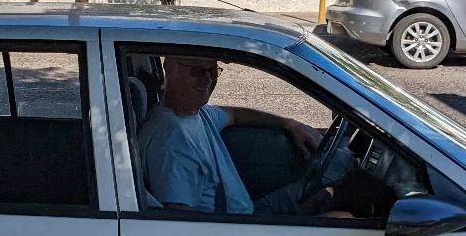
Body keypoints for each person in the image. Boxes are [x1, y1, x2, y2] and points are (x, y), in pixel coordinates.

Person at [136, 54, 348, 216]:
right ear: (169, 69)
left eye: (212, 71)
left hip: (249, 214)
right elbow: (181, 223)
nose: (208, 80)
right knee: (345, 217)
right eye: (197, 71)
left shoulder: (196, 113)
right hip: (237, 232)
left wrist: (289, 124)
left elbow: (235, 115)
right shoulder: (171, 140)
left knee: (337, 189)